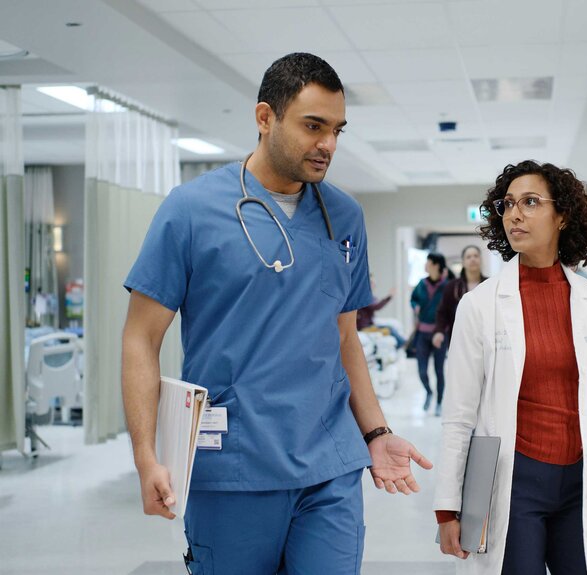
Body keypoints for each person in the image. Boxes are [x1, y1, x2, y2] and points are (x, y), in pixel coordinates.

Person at [121, 53, 432, 574]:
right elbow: (140, 339)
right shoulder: (191, 210)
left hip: (329, 466)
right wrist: (146, 456)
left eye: (337, 129)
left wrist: (376, 434)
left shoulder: (344, 216)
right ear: (265, 118)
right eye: (313, 126)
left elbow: (346, 338)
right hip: (235, 465)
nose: (328, 144)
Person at [434, 160, 587, 575]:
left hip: (582, 481)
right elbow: (458, 416)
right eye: (507, 205)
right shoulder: (480, 305)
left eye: (530, 202)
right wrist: (446, 507)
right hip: (514, 481)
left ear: (562, 216)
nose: (515, 214)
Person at [410, 252, 449, 415]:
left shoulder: (447, 286)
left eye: (428, 262)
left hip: (440, 335)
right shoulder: (421, 284)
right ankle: (429, 392)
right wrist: (415, 306)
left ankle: (439, 402)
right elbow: (413, 299)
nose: (425, 265)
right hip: (422, 334)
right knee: (422, 370)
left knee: (439, 371)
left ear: (436, 265)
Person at [432, 245, 487, 351]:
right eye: (468, 257)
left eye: (476, 256)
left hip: (484, 339)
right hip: (459, 339)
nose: (473, 259)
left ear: (481, 259)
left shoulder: (489, 284)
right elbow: (442, 312)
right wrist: (439, 331)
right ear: (463, 262)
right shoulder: (452, 286)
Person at [357, 278, 405, 348]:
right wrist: (389, 296)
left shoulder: (369, 297)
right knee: (389, 329)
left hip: (369, 325)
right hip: (365, 327)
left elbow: (376, 305)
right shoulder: (364, 297)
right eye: (372, 283)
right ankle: (404, 344)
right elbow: (376, 306)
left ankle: (402, 344)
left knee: (390, 328)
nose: (374, 285)